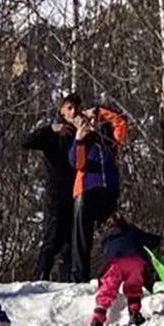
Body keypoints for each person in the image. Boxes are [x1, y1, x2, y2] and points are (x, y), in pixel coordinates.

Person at [59, 94, 127, 283]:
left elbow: (120, 123)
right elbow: (77, 163)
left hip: (109, 186)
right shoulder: (67, 133)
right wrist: (80, 139)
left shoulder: (101, 125)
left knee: (114, 233)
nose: (74, 112)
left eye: (76, 107)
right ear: (63, 113)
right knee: (82, 238)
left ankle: (114, 275)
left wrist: (99, 113)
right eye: (68, 109)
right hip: (85, 188)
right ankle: (79, 280)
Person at [90, 212, 162, 326]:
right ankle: (135, 313)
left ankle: (97, 321)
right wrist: (159, 239)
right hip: (135, 260)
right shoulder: (133, 231)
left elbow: (101, 255)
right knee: (134, 287)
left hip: (114, 263)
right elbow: (151, 240)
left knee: (107, 290)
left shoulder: (106, 236)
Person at [22, 117, 75, 281]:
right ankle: (40, 277)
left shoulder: (78, 136)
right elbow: (27, 142)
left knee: (69, 243)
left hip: (74, 194)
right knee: (51, 238)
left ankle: (66, 280)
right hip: (55, 194)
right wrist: (50, 129)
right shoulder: (51, 138)